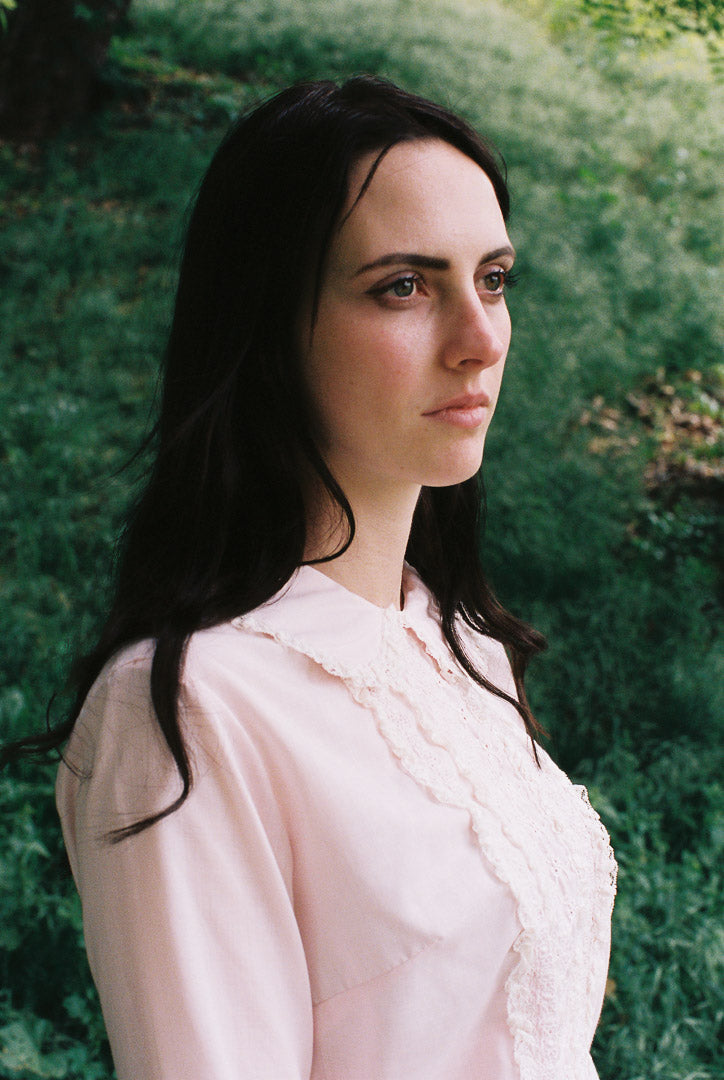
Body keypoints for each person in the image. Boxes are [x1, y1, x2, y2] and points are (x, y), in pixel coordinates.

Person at [24, 76, 616, 1078]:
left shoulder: (457, 641)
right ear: (266, 326)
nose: (480, 341)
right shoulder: (191, 712)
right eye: (403, 286)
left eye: (494, 279)